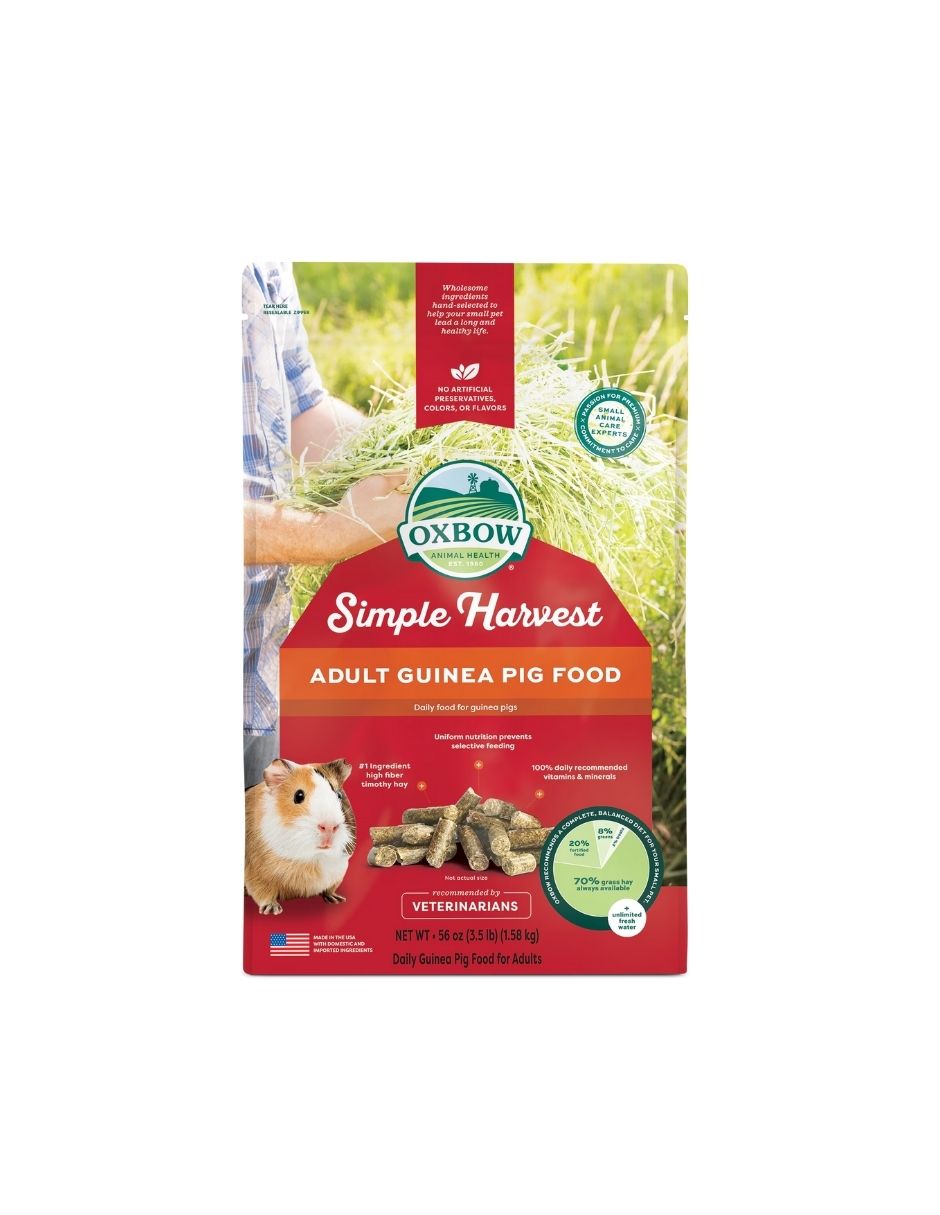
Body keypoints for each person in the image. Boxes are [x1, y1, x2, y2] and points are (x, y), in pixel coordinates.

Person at [242, 262, 405, 787]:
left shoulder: (263, 258)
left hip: (258, 675)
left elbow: (301, 411)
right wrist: (325, 533)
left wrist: (418, 463)